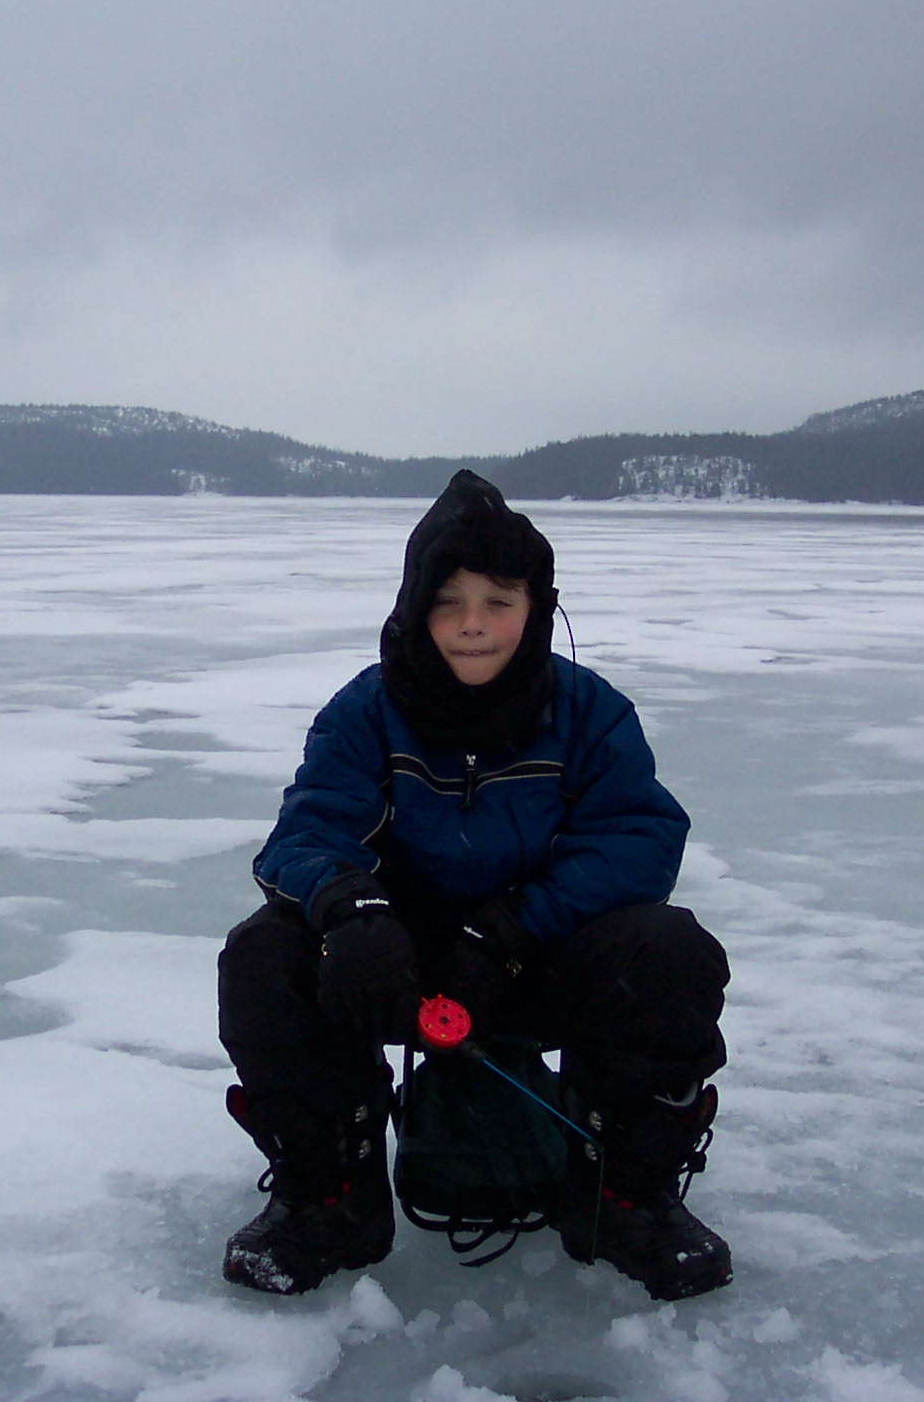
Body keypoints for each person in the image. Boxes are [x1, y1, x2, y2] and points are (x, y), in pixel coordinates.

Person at [217, 469, 732, 1301]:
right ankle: (332, 1196)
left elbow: (637, 840)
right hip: (398, 963)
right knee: (263, 955)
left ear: (538, 606)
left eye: (499, 600)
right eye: (449, 600)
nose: (472, 625)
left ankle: (624, 1198)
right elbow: (308, 830)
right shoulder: (365, 710)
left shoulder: (590, 712)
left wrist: (511, 931)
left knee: (670, 953)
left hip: (530, 954)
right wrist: (355, 914)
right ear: (414, 606)